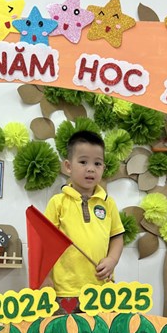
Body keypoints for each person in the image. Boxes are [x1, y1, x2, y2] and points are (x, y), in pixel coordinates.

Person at [43, 130, 124, 314]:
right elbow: (44, 244)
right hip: (65, 292)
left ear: (103, 168)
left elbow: (117, 237)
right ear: (68, 166)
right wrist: (45, 278)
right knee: (65, 332)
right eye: (83, 162)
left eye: (97, 163)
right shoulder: (58, 203)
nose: (91, 169)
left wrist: (112, 260)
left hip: (101, 291)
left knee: (99, 332)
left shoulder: (108, 203)